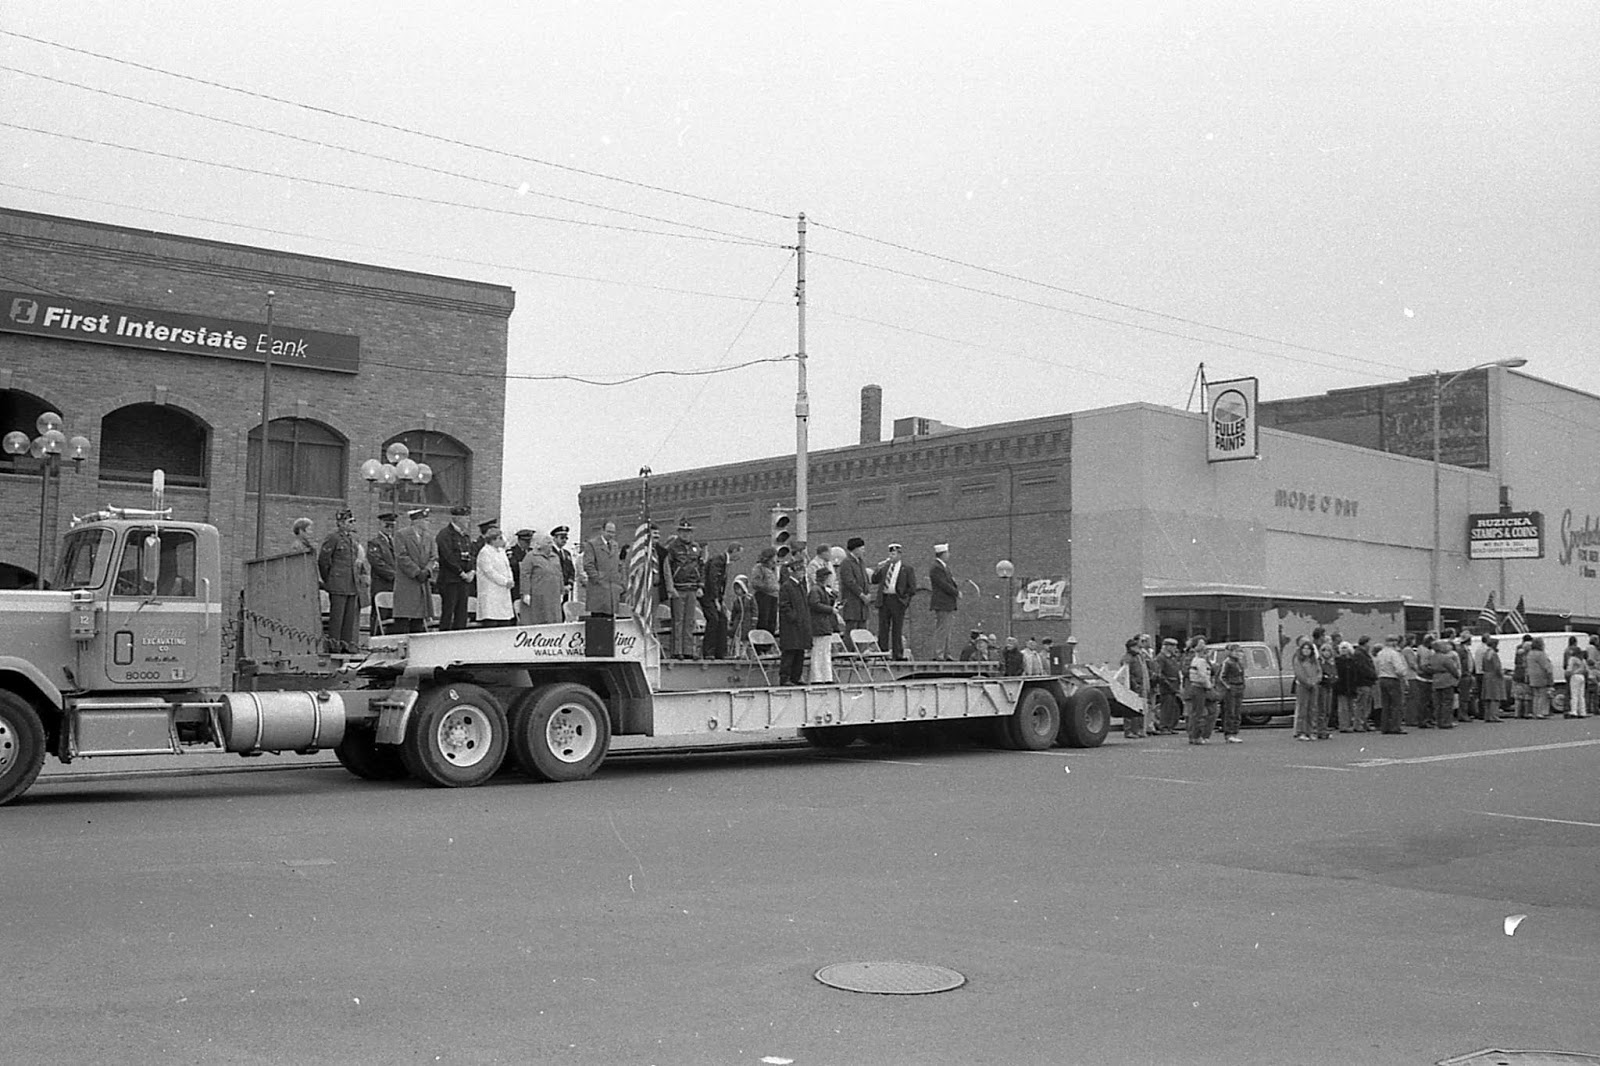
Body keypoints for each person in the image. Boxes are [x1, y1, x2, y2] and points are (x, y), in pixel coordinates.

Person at [317, 508, 365, 653]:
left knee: (348, 618)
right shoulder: (333, 538)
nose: (352, 524)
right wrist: (329, 579)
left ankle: (346, 645)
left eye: (353, 521)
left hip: (351, 583)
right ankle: (334, 646)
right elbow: (323, 561)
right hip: (337, 583)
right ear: (341, 523)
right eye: (349, 521)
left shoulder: (352, 539)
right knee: (337, 618)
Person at [392, 508, 437, 633]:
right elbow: (401, 556)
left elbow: (433, 557)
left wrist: (427, 570)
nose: (428, 523)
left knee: (419, 618)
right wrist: (417, 572)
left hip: (422, 583)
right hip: (407, 582)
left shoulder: (429, 537)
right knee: (404, 616)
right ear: (417, 521)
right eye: (426, 520)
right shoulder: (402, 535)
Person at [664, 517, 703, 658]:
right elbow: (667, 568)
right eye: (683, 531)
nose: (686, 534)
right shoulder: (673, 548)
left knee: (689, 621)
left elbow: (701, 567)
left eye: (688, 531)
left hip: (692, 588)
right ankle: (677, 650)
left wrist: (700, 585)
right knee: (678, 621)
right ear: (679, 532)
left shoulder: (696, 548)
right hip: (678, 588)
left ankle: (688, 650)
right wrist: (671, 587)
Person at [872, 542, 917, 660]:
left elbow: (912, 588)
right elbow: (874, 580)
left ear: (899, 554)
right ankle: (883, 653)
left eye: (894, 554)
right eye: (890, 553)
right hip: (885, 599)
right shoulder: (885, 567)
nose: (891, 556)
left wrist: (905, 601)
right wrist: (877, 569)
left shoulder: (906, 569)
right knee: (883, 627)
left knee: (897, 628)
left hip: (897, 600)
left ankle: (897, 654)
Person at [435, 506, 475, 631]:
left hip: (464, 581)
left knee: (462, 613)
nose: (468, 520)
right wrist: (461, 573)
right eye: (465, 517)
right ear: (457, 518)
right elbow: (447, 557)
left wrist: (472, 571)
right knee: (448, 611)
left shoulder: (465, 536)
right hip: (450, 580)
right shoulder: (445, 534)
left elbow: (471, 555)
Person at [700, 542, 741, 659]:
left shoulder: (725, 563)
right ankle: (709, 651)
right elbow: (713, 580)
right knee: (713, 619)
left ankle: (721, 651)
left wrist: (721, 599)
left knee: (723, 619)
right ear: (734, 551)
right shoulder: (719, 561)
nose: (739, 557)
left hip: (716, 596)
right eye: (738, 553)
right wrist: (716, 599)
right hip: (708, 594)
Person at [776, 560, 811, 685]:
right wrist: (794, 617)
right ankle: (785, 677)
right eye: (800, 571)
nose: (802, 573)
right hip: (791, 625)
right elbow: (784, 605)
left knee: (799, 651)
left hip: (800, 624)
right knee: (790, 651)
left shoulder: (800, 586)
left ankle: (796, 676)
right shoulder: (787, 586)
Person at [581, 519, 625, 617]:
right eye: (609, 532)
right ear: (602, 530)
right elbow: (588, 565)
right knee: (598, 621)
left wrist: (619, 582)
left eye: (613, 532)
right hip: (598, 590)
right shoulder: (592, 544)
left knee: (610, 621)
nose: (611, 535)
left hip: (612, 590)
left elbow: (618, 565)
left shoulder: (614, 545)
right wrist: (598, 579)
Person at [473, 526, 515, 626]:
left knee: (505, 622)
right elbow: (489, 572)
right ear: (492, 540)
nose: (502, 540)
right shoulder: (485, 552)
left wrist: (510, 579)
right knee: (492, 621)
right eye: (500, 538)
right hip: (491, 594)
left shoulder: (501, 551)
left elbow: (507, 567)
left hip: (503, 593)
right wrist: (505, 581)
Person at [520, 532, 564, 624]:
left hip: (554, 595)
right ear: (539, 544)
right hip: (538, 595)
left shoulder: (555, 557)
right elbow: (525, 575)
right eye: (548, 543)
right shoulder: (531, 556)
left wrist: (561, 591)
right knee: (539, 618)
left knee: (554, 618)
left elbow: (559, 574)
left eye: (551, 542)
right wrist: (526, 593)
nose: (551, 545)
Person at [836, 537, 871, 649]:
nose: (863, 551)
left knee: (862, 628)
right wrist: (861, 595)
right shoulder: (846, 563)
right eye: (861, 548)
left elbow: (865, 579)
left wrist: (868, 593)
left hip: (862, 605)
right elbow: (850, 582)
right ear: (855, 549)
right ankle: (850, 652)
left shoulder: (861, 562)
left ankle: (862, 652)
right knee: (852, 628)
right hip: (852, 602)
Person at [366, 512, 397, 637]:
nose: (389, 529)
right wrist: (394, 575)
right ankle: (375, 640)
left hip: (394, 586)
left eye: (392, 526)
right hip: (381, 584)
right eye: (387, 526)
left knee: (392, 616)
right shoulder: (375, 543)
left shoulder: (395, 543)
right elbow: (377, 563)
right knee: (380, 615)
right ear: (381, 525)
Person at [928, 543, 960, 660]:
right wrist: (956, 592)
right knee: (942, 628)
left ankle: (946, 653)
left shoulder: (944, 567)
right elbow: (943, 584)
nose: (949, 555)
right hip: (942, 602)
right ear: (943, 554)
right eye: (947, 552)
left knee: (947, 629)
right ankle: (939, 653)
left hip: (948, 603)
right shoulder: (936, 568)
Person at [808, 568, 840, 683]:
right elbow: (814, 604)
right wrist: (830, 609)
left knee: (825, 651)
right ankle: (817, 677)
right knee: (818, 651)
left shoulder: (822, 590)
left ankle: (827, 676)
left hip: (825, 624)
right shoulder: (816, 590)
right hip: (819, 624)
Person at [1373, 634, 1408, 734]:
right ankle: (1395, 727)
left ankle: (1385, 726)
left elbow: (1377, 667)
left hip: (1382, 678)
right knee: (1396, 703)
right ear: (1394, 642)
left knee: (1386, 704)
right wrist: (1403, 674)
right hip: (1392, 679)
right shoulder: (1394, 654)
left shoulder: (1380, 653)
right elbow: (1399, 669)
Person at [1184, 635, 1215, 744]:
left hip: (1197, 687)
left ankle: (1196, 736)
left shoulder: (1198, 660)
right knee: (1198, 713)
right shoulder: (1199, 660)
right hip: (1199, 688)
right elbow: (1202, 676)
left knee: (1199, 712)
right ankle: (1196, 736)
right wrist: (1209, 685)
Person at [1291, 638, 1321, 741]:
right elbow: (1299, 673)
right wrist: (1308, 682)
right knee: (1303, 709)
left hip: (1314, 686)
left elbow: (1319, 671)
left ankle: (1312, 731)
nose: (1306, 651)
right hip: (1303, 686)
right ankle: (1301, 732)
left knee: (1313, 708)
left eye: (1309, 649)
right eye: (1304, 649)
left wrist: (1316, 681)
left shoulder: (1314, 661)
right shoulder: (1298, 660)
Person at [1429, 638, 1462, 729]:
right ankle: (1446, 722)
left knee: (1438, 703)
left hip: (1436, 680)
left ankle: (1439, 721)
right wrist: (1457, 676)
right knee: (1447, 702)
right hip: (1446, 681)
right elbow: (1453, 669)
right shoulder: (1445, 658)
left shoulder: (1432, 658)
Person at [1120, 637, 1148, 739]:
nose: (1138, 648)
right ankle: (1129, 731)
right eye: (1136, 646)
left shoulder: (1138, 657)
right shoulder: (1127, 658)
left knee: (1138, 709)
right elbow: (1126, 674)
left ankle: (1138, 730)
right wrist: (1134, 684)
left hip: (1139, 685)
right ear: (1131, 647)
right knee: (1129, 709)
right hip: (1131, 686)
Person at [1154, 637, 1183, 735]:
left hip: (1174, 686)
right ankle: (1164, 727)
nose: (1175, 648)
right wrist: (1167, 683)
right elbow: (1159, 673)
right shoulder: (1161, 658)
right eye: (1172, 646)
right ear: (1166, 646)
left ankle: (1170, 726)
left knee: (1172, 707)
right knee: (1166, 707)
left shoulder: (1172, 657)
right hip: (1166, 686)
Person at [1217, 642, 1245, 743]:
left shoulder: (1240, 663)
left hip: (1239, 687)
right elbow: (1222, 676)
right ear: (1231, 652)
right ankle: (1229, 733)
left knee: (1237, 712)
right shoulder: (1227, 662)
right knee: (1230, 711)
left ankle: (1235, 732)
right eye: (1236, 651)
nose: (1239, 653)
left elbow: (1242, 676)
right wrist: (1228, 686)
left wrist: (1242, 686)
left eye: (1240, 651)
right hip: (1231, 689)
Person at [750, 547, 780, 635]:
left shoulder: (773, 568)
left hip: (773, 596)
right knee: (763, 620)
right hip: (763, 596)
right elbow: (755, 583)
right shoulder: (759, 568)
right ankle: (760, 644)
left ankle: (769, 643)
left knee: (772, 621)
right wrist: (768, 587)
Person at [1525, 636, 1554, 719]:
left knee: (1535, 695)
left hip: (1532, 676)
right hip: (1541, 676)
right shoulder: (1540, 654)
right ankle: (1540, 712)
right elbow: (1546, 666)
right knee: (1542, 695)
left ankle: (1535, 712)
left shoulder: (1530, 654)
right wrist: (1550, 675)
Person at [1479, 636, 1506, 722]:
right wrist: (1501, 674)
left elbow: (1482, 666)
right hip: (1494, 676)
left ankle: (1487, 716)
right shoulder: (1493, 654)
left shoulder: (1485, 653)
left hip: (1486, 675)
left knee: (1487, 697)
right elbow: (1497, 667)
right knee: (1495, 697)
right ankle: (1494, 716)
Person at [728, 574, 755, 658]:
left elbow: (754, 610)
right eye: (735, 589)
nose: (737, 591)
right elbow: (734, 611)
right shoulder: (736, 600)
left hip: (747, 620)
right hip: (738, 620)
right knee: (737, 636)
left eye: (738, 589)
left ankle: (743, 652)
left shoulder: (750, 598)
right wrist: (732, 621)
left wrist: (754, 621)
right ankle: (737, 653)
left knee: (746, 637)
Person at [550, 525, 577, 606]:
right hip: (554, 589)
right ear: (554, 538)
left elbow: (571, 571)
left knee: (564, 612)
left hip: (566, 589)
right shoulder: (550, 552)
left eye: (566, 538)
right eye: (562, 537)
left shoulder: (567, 553)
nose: (564, 540)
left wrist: (569, 585)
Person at [508, 529, 534, 605]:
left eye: (529, 541)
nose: (528, 544)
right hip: (517, 587)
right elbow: (515, 568)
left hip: (530, 586)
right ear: (519, 540)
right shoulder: (512, 552)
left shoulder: (532, 551)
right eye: (526, 541)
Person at [1567, 647, 1590, 719]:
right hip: (1582, 676)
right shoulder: (1582, 659)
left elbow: (1569, 669)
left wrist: (1568, 673)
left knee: (1574, 694)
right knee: (1581, 695)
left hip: (1575, 676)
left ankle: (1574, 711)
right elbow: (1586, 669)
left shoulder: (1572, 659)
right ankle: (1582, 712)